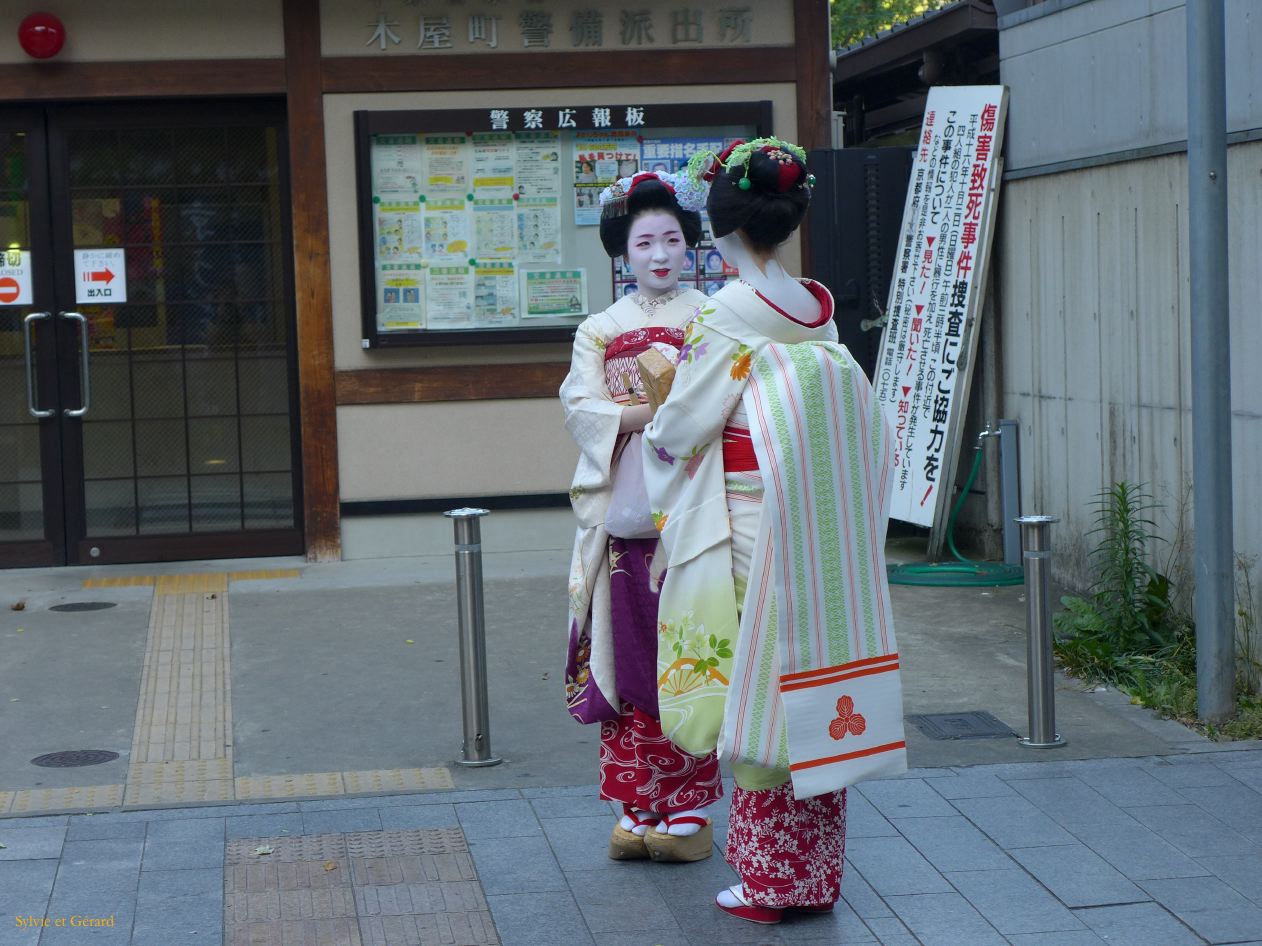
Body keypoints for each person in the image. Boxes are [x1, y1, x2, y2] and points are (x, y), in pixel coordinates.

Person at [642, 138, 906, 923]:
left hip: (751, 521)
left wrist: (655, 432)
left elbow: (682, 428)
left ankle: (768, 882)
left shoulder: (727, 315)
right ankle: (816, 876)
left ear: (718, 230)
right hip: (815, 519)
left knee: (758, 689)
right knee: (813, 689)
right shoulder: (814, 307)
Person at [560, 170, 721, 863]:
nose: (659, 254)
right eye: (644, 241)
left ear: (691, 247)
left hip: (695, 514)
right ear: (622, 251)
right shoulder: (601, 328)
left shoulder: (713, 317)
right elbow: (581, 408)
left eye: (672, 240)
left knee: (691, 659)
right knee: (628, 667)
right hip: (626, 522)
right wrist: (650, 412)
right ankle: (635, 804)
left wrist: (673, 414)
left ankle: (684, 809)